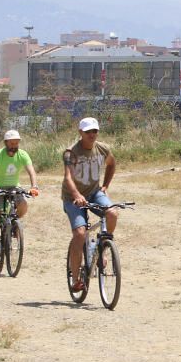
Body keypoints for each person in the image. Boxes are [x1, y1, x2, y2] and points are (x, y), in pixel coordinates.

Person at [62, 117, 117, 291]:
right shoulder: (71, 152)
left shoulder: (103, 149)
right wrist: (77, 194)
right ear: (80, 133)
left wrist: (106, 186)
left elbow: (111, 165)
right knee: (80, 234)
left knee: (112, 213)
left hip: (94, 193)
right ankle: (76, 279)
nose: (92, 135)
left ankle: (102, 250)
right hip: (73, 197)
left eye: (94, 131)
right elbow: (68, 177)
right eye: (88, 132)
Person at [0, 129, 39, 263]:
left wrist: (34, 186)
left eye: (16, 143)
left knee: (23, 204)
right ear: (6, 143)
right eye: (12, 143)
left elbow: (31, 170)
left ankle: (14, 224)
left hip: (14, 187)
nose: (14, 145)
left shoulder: (22, 154)